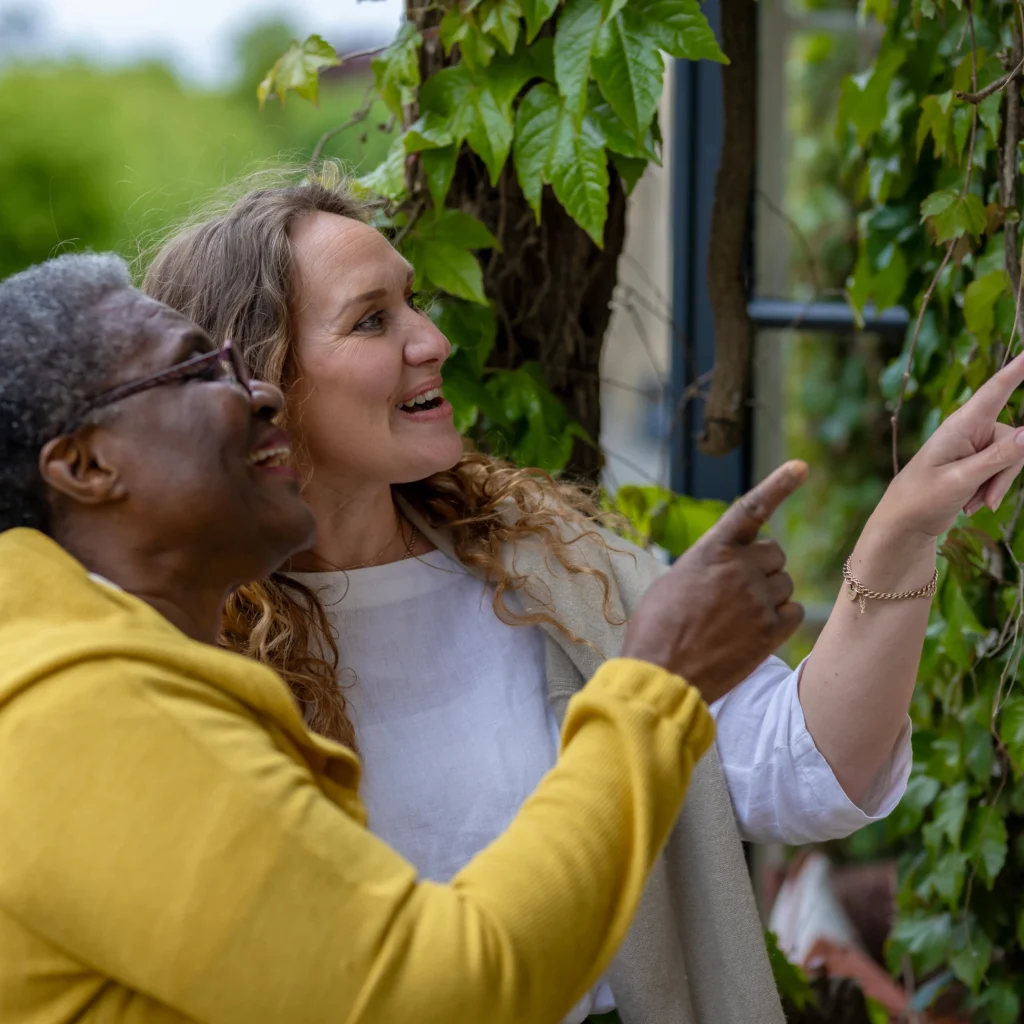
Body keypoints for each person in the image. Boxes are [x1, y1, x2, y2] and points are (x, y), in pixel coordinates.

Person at [143, 166, 1024, 1024]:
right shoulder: (186, 659)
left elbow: (808, 771)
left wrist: (904, 531)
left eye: (414, 300)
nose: (433, 340)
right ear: (260, 386)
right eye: (373, 321)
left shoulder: (543, 561)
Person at [0, 252, 807, 1024]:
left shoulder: (86, 676)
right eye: (197, 369)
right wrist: (653, 685)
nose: (262, 395)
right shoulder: (82, 713)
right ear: (85, 466)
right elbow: (441, 998)